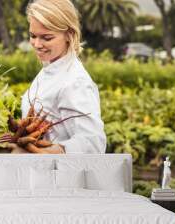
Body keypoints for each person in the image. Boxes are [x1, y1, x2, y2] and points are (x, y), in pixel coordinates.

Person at [8, 0, 106, 154]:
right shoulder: (49, 68)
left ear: (69, 34)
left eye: (47, 38)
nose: (37, 44)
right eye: (33, 35)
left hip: (59, 174)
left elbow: (93, 142)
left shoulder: (75, 82)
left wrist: (51, 151)